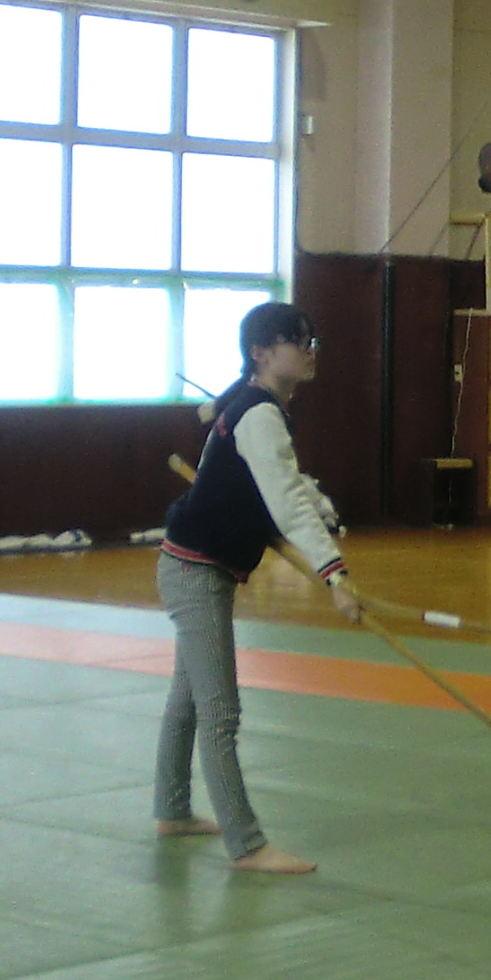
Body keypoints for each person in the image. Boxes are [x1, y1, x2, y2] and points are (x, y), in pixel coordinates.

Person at [156, 301, 360, 873]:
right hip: (195, 572)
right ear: (260, 354)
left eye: (310, 339)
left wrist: (322, 508)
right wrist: (335, 576)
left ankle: (171, 810)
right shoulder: (259, 413)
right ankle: (246, 845)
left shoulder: (254, 405)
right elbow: (287, 501)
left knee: (188, 700)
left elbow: (286, 482)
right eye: (297, 341)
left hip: (199, 566)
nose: (309, 350)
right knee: (220, 710)